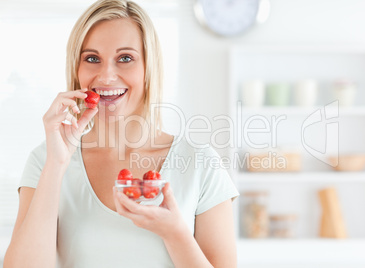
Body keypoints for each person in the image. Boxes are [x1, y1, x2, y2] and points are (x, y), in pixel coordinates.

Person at [3, 0, 239, 267]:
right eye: (92, 59)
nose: (106, 76)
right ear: (77, 69)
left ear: (149, 67)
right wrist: (57, 164)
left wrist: (175, 233)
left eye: (125, 58)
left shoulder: (200, 164)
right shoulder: (46, 159)